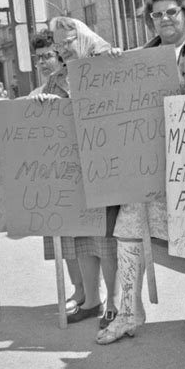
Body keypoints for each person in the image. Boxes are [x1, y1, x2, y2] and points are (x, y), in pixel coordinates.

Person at [96, 0, 185, 345]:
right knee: (128, 235)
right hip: (144, 165)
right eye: (157, 14)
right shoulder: (139, 57)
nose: (164, 19)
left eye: (171, 12)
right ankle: (129, 315)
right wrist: (112, 64)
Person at [46, 16, 120, 329]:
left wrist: (120, 63)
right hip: (71, 170)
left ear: (84, 37)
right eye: (58, 44)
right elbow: (41, 113)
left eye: (68, 41)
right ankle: (91, 301)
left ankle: (116, 305)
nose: (63, 49)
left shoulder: (108, 63)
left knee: (105, 242)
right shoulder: (58, 78)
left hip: (105, 166)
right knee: (82, 239)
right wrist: (41, 101)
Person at [28, 30, 85, 312]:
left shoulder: (76, 75)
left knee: (87, 237)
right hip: (58, 168)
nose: (42, 62)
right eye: (37, 58)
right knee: (64, 234)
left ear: (60, 54)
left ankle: (93, 294)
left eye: (47, 56)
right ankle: (79, 289)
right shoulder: (48, 85)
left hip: (83, 167)